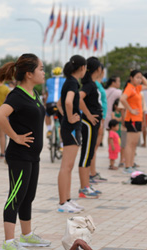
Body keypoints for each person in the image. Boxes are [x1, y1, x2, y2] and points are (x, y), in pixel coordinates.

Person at [0, 53, 51, 250]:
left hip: (33, 156)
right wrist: (15, 137)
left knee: (29, 196)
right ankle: (9, 241)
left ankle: (26, 235)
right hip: (19, 155)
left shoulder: (33, 95)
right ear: (29, 73)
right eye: (41, 69)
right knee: (15, 196)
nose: (44, 72)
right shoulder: (16, 95)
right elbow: (0, 115)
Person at [56, 55, 87, 213]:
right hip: (71, 129)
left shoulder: (70, 82)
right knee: (66, 166)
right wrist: (69, 118)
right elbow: (67, 102)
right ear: (82, 68)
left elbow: (59, 104)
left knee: (69, 166)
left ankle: (67, 199)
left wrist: (65, 118)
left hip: (70, 127)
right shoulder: (73, 83)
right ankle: (63, 203)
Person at [78, 57, 103, 199]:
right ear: (98, 69)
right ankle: (83, 188)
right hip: (88, 123)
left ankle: (86, 185)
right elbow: (79, 97)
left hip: (93, 123)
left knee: (89, 155)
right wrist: (88, 114)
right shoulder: (89, 85)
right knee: (86, 155)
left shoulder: (92, 84)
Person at [119, 69, 147, 174]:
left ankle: (131, 165)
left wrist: (141, 76)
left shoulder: (136, 88)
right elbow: (122, 99)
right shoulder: (129, 88)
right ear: (131, 78)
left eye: (140, 77)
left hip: (137, 119)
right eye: (137, 77)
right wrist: (130, 109)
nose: (140, 79)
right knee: (129, 144)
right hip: (131, 119)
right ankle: (127, 166)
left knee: (134, 144)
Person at [89, 64, 108, 184]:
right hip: (98, 118)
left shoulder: (98, 83)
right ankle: (91, 173)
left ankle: (93, 172)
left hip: (102, 117)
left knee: (95, 148)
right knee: (93, 147)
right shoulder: (93, 84)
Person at [45, 66, 66, 137]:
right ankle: (61, 144)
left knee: (47, 115)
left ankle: (49, 130)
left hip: (50, 103)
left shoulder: (48, 81)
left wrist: (45, 104)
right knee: (62, 122)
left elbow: (47, 94)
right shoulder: (65, 80)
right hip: (61, 103)